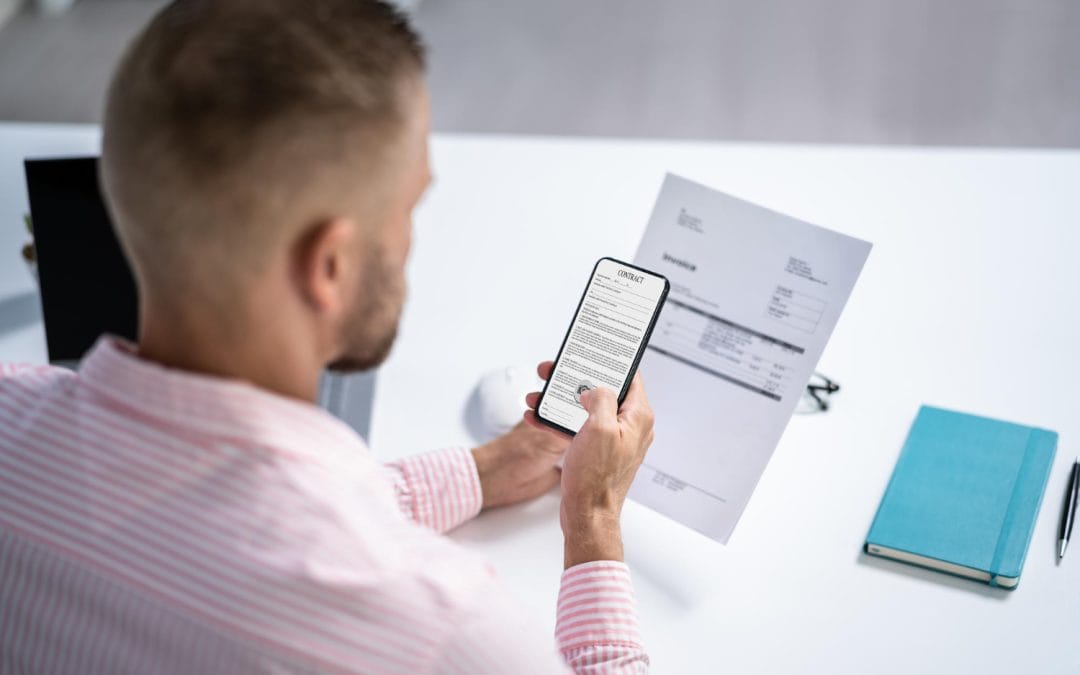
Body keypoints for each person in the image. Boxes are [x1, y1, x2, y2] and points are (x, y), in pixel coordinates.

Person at [0, 1, 657, 673]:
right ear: (331, 267)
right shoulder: (442, 630)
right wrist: (594, 518)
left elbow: (199, 499)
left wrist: (485, 470)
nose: (410, 238)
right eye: (407, 207)